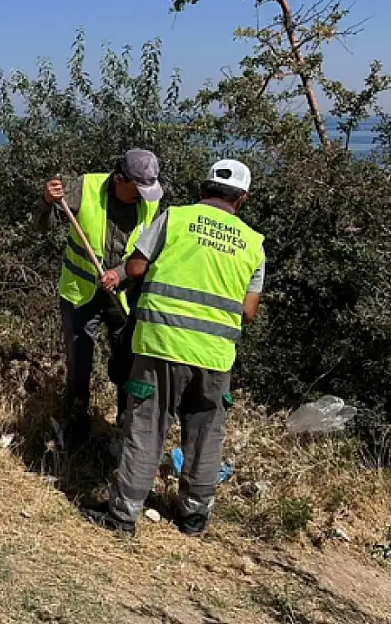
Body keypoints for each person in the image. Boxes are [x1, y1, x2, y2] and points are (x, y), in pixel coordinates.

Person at [81, 159, 266, 536]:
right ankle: (194, 517)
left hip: (160, 344)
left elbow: (133, 270)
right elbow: (248, 312)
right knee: (205, 435)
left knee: (147, 427)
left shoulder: (174, 219)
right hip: (215, 356)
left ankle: (123, 516)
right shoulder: (253, 244)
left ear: (203, 190)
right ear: (242, 199)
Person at [35, 149, 164, 444]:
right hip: (80, 296)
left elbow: (148, 251)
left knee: (127, 364)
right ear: (120, 179)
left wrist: (119, 273)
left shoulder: (151, 202)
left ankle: (124, 428)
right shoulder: (85, 187)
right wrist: (46, 202)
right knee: (79, 366)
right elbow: (41, 227)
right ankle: (77, 430)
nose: (145, 197)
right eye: (138, 189)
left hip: (123, 300)